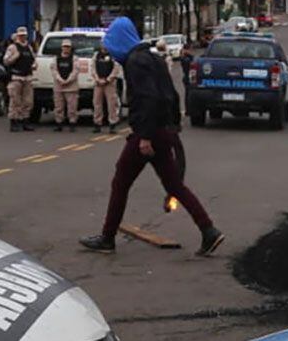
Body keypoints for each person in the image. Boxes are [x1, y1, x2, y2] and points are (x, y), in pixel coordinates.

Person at [79, 17, 224, 257]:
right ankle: (209, 230)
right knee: (174, 184)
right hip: (163, 130)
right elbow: (172, 94)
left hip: (148, 133)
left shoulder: (136, 62)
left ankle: (107, 237)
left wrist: (144, 137)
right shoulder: (154, 58)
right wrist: (174, 127)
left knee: (120, 182)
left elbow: (148, 99)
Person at [2, 26, 37, 132]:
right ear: (17, 36)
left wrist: (35, 65)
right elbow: (6, 61)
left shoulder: (29, 47)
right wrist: (15, 57)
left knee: (28, 101)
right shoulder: (12, 47)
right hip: (16, 77)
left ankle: (25, 121)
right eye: (21, 35)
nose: (22, 37)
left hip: (27, 77)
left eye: (24, 35)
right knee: (15, 100)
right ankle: (14, 121)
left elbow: (34, 59)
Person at [51, 41, 81, 132]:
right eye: (64, 46)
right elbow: (54, 70)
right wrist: (60, 80)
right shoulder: (56, 58)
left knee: (72, 106)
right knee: (58, 106)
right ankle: (59, 123)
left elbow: (76, 70)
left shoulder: (74, 58)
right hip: (59, 86)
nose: (66, 48)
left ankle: (72, 123)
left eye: (68, 47)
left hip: (71, 86)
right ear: (61, 47)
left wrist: (68, 80)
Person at [91, 46, 123, 132]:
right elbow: (93, 68)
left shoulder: (113, 55)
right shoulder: (96, 56)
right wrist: (97, 79)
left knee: (111, 104)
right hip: (98, 83)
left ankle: (112, 123)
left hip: (110, 83)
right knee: (97, 104)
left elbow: (116, 68)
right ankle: (97, 123)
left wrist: (108, 79)